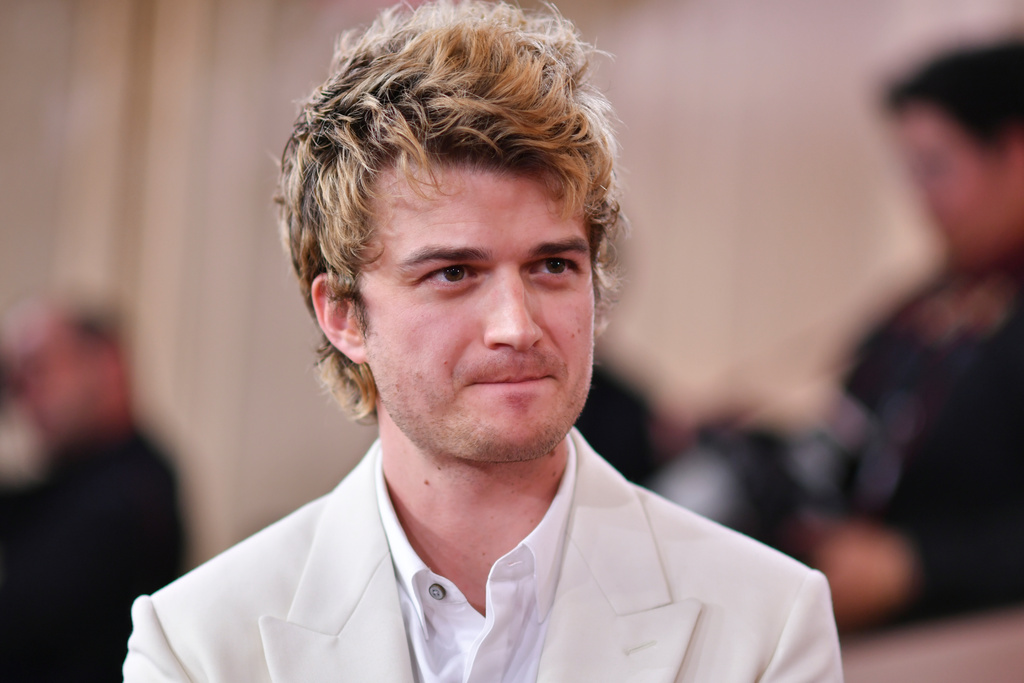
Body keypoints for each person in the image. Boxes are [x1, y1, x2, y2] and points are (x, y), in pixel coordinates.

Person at [123, 2, 842, 681]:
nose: (518, 326)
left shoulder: (767, 621)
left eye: (553, 265)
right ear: (343, 314)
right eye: (454, 273)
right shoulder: (199, 644)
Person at [799, 39, 1024, 632]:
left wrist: (917, 566)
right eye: (911, 169)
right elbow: (850, 437)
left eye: (936, 167)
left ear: (1015, 154)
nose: (919, 196)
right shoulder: (924, 310)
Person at [0, 299, 183, 682]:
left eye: (38, 367)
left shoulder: (132, 492)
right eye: (16, 379)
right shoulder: (68, 481)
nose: (23, 394)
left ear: (107, 364)